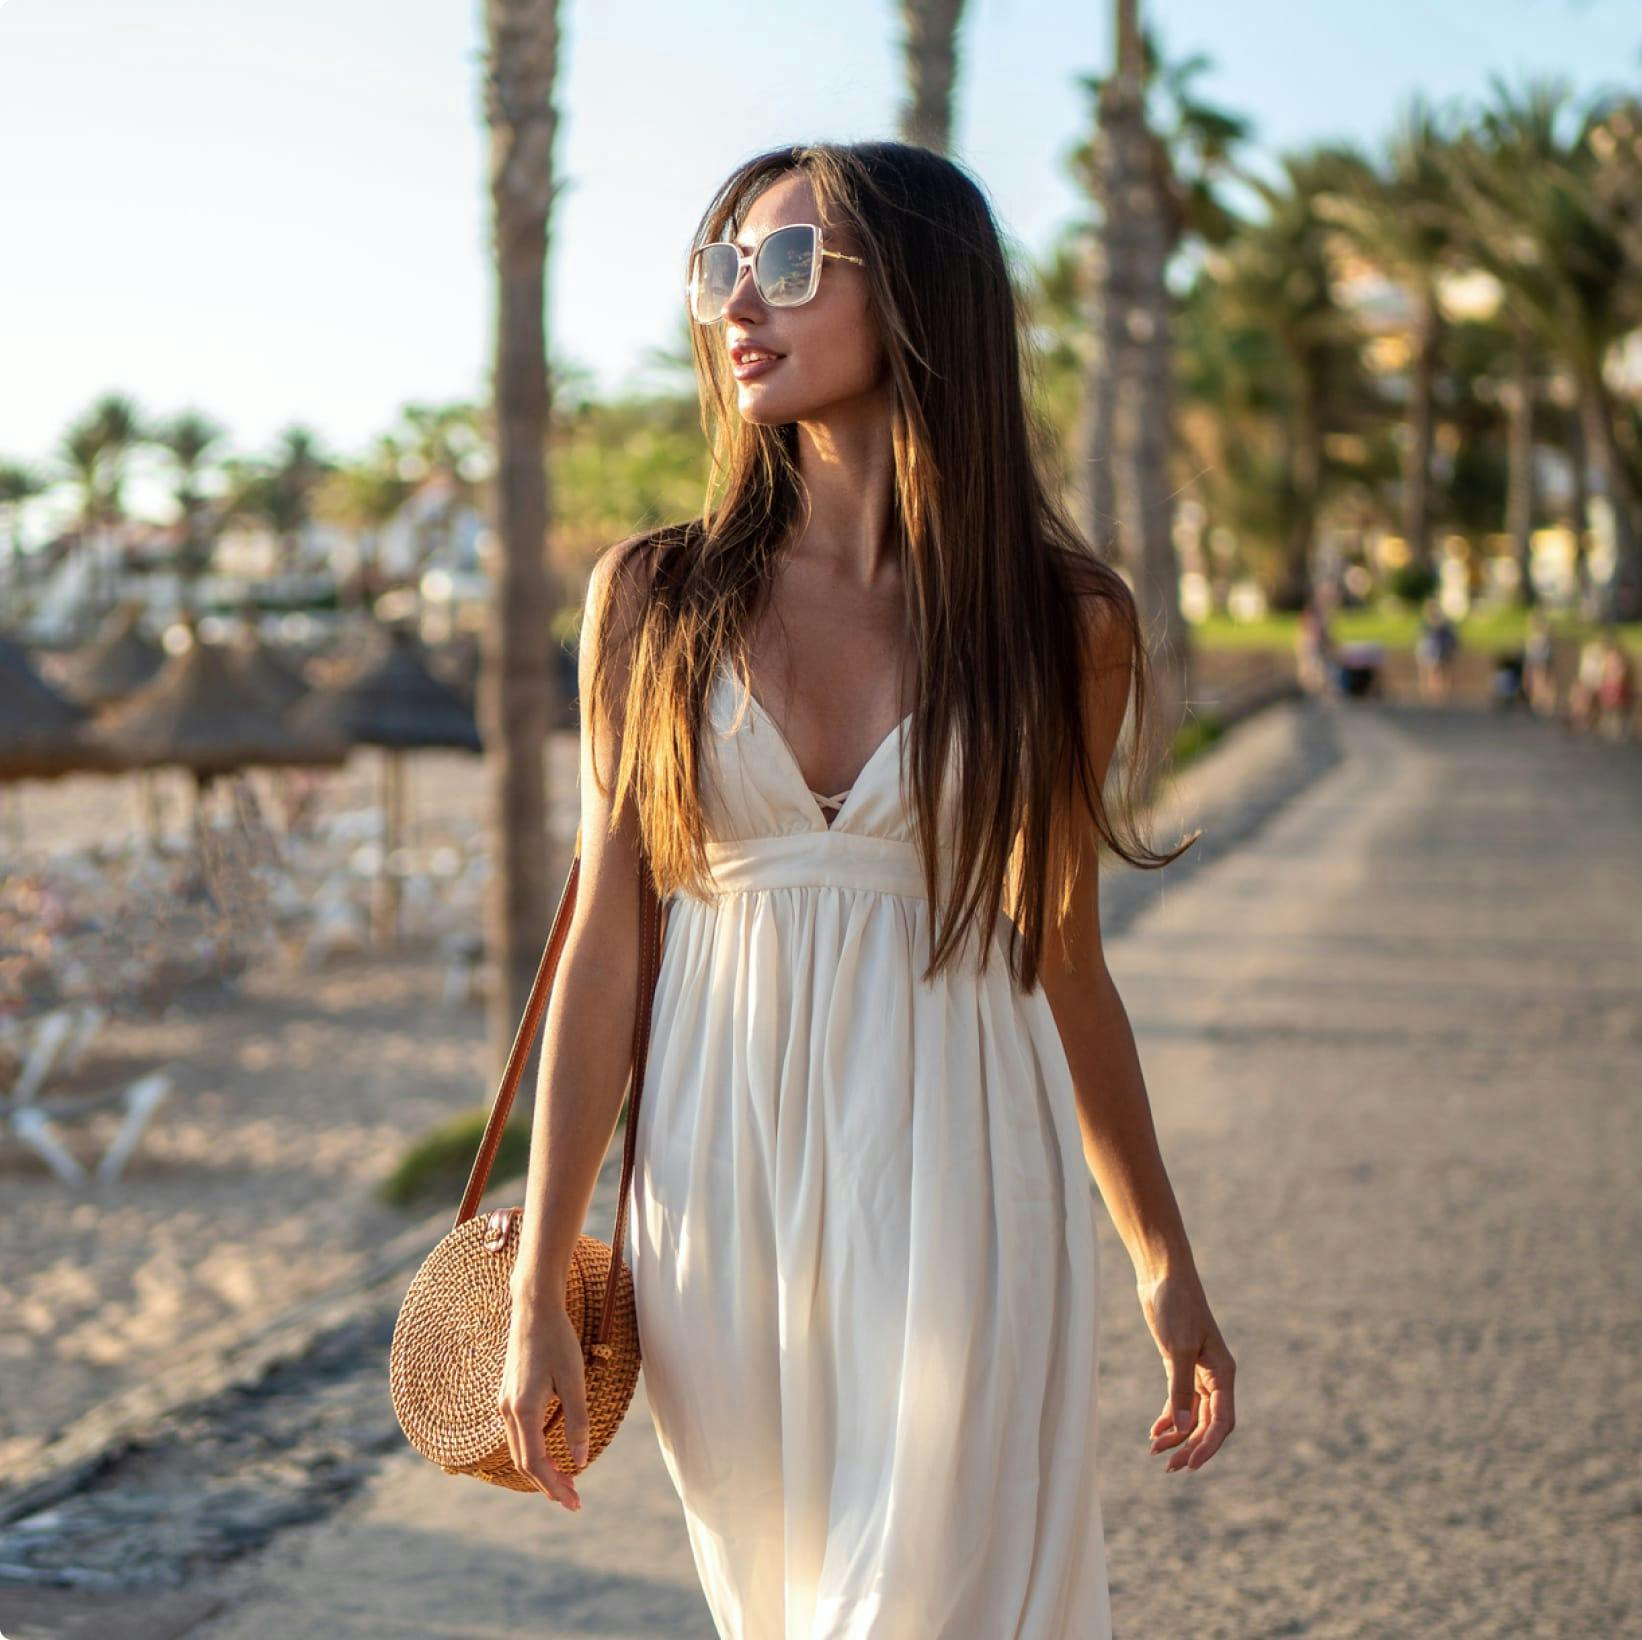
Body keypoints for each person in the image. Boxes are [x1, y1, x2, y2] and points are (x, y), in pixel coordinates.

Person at [498, 141, 1235, 1637]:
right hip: (719, 1177)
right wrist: (535, 1291)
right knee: (782, 1608)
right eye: (718, 271)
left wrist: (1164, 1262)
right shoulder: (651, 598)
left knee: (931, 1603)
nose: (734, 309)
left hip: (966, 1155)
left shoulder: (1060, 621)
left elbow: (1066, 959)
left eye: (782, 267)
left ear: (916, 297)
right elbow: (606, 948)